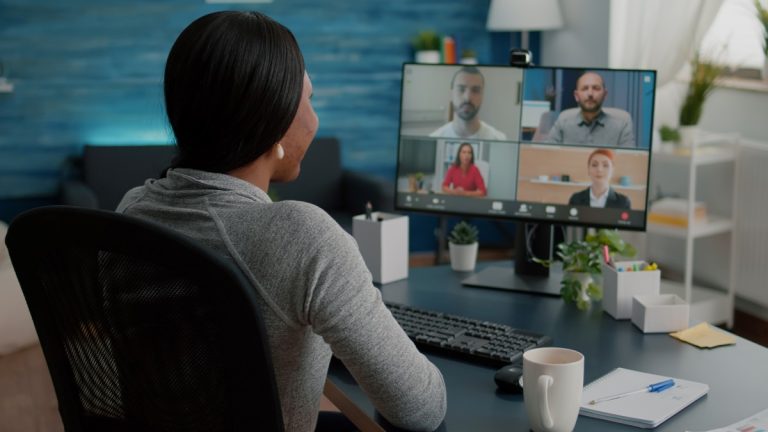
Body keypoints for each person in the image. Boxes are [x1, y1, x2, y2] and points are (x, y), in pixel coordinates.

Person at [116, 11, 446, 432]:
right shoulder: (301, 234)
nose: (315, 118)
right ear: (270, 122)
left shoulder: (132, 210)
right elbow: (421, 409)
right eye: (309, 99)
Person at [546, 71, 635, 147]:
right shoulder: (563, 120)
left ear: (605, 94)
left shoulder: (622, 123)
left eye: (596, 88)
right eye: (585, 88)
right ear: (576, 96)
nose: (590, 93)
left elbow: (629, 161)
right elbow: (547, 154)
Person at [430, 66, 507, 140]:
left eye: (475, 90)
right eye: (461, 89)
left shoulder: (499, 139)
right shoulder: (434, 139)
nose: (467, 97)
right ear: (451, 93)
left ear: (482, 95)